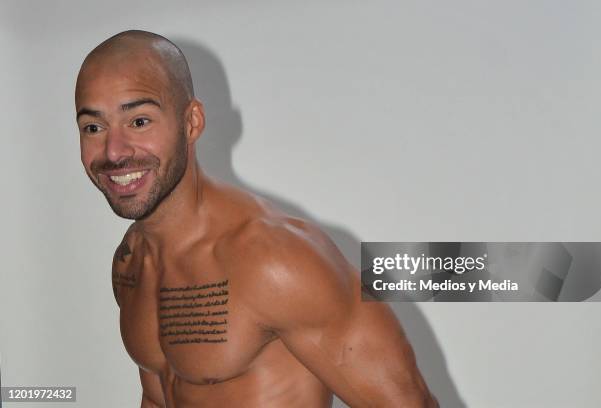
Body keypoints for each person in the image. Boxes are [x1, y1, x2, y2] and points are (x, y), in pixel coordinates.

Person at [75, 30, 437, 408]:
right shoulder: (131, 261)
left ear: (192, 123)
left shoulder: (275, 259)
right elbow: (158, 396)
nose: (114, 152)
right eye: (94, 128)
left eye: (139, 122)